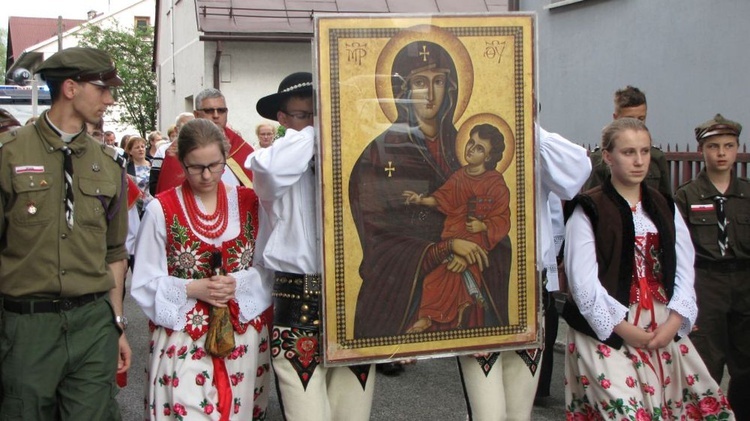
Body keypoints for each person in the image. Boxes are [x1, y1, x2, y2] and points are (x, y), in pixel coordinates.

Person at [562, 118, 733, 418]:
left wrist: (673, 322)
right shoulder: (589, 208)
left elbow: (684, 268)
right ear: (607, 156)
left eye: (644, 152)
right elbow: (583, 284)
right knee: (626, 413)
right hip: (607, 329)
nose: (639, 161)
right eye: (628, 152)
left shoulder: (663, 205)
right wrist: (626, 330)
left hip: (660, 324)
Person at [0, 46, 131, 420]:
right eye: (102, 88)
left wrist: (117, 323)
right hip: (27, 326)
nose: (109, 98)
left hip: (92, 323)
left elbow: (115, 252)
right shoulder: (9, 155)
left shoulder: (108, 163)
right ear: (70, 88)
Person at [245, 72, 375, 421]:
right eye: (303, 115)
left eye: (319, 113)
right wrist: (318, 131)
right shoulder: (272, 159)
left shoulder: (352, 154)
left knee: (353, 412)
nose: (313, 122)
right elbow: (271, 175)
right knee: (307, 412)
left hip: (352, 294)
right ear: (282, 120)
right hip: (298, 294)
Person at [131, 118, 272, 420]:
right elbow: (143, 280)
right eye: (196, 167)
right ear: (181, 162)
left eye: (215, 165)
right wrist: (192, 289)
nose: (207, 175)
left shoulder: (250, 202)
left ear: (226, 158)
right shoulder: (161, 208)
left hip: (241, 335)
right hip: (183, 331)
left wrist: (238, 283)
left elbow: (267, 266)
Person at [402, 123, 511, 333]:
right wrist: (421, 200)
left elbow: (502, 218)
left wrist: (483, 225)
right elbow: (444, 197)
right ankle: (444, 313)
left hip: (477, 245)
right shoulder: (460, 176)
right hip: (452, 240)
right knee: (434, 280)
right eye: (471, 142)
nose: (471, 148)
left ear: (488, 157)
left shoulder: (495, 183)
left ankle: (431, 317)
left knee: (444, 277)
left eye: (480, 148)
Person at [674, 113, 749, 419]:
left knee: (746, 364)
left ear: (737, 149)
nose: (721, 153)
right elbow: (679, 251)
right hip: (706, 283)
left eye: (728, 146)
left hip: (745, 281)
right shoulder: (687, 196)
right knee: (706, 362)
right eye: (714, 146)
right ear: (701, 150)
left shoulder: (747, 193)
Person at [155, 90, 253, 194]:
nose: (216, 115)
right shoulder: (179, 148)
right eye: (209, 111)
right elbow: (170, 195)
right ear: (196, 114)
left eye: (221, 110)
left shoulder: (238, 145)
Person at [583, 86, 671, 196]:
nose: (636, 124)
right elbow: (592, 200)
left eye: (641, 118)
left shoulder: (657, 157)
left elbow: (666, 202)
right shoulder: (599, 159)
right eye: (629, 119)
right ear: (616, 118)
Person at [149, 112, 194, 195]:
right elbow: (153, 183)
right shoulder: (162, 151)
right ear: (177, 130)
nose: (191, 131)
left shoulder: (202, 150)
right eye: (186, 128)